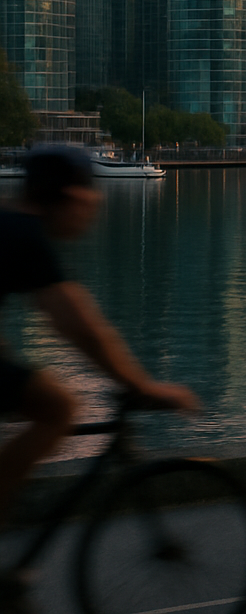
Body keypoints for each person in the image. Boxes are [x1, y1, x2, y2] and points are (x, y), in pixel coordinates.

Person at [1, 148, 198, 604]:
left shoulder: (9, 225)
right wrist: (142, 385)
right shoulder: (24, 234)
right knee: (60, 408)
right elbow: (77, 323)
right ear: (71, 196)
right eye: (91, 193)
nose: (96, 204)